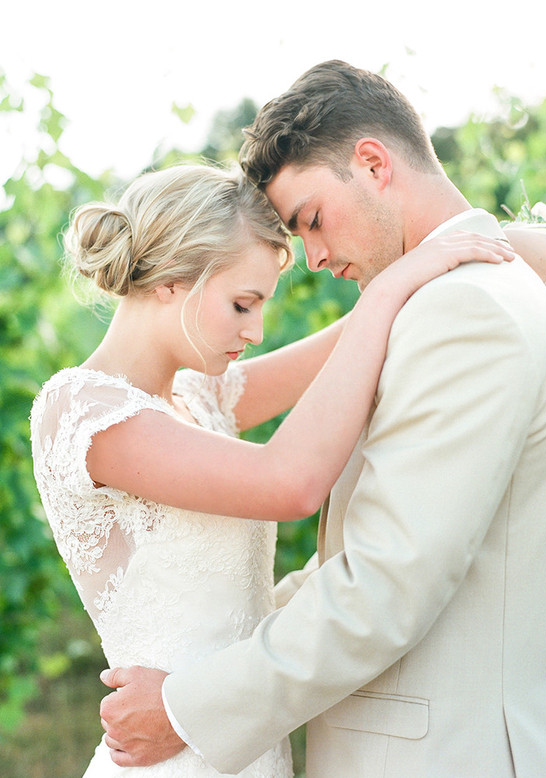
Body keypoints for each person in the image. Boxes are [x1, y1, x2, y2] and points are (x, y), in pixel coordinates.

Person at [98, 64, 546, 777]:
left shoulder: (465, 311)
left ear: (374, 164)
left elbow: (384, 585)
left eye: (313, 219)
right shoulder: (453, 299)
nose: (315, 258)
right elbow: (376, 542)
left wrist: (188, 706)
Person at [29, 162, 513, 778]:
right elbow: (292, 483)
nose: (255, 332)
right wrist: (392, 288)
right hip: (170, 759)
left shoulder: (198, 398)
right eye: (242, 304)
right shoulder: (86, 413)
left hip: (239, 741)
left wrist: (489, 251)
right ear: (172, 281)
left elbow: (342, 343)